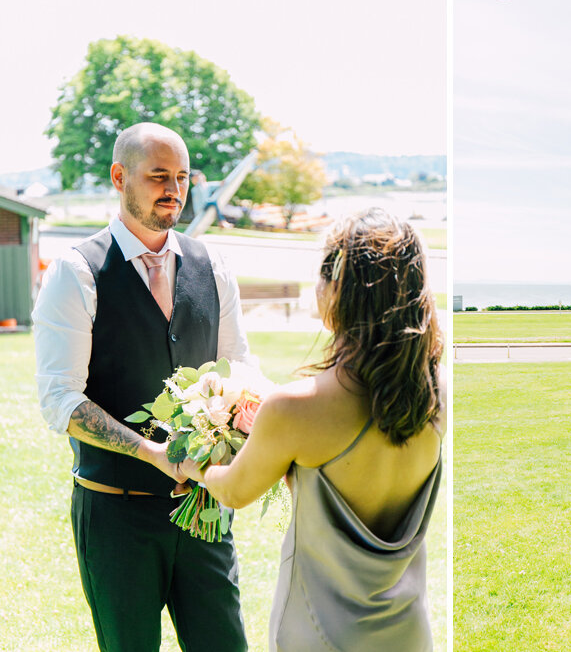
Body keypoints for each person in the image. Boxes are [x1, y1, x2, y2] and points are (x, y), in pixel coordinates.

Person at [180, 208, 445, 651]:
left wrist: (193, 462)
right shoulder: (434, 394)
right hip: (409, 633)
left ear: (340, 286)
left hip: (321, 634)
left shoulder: (296, 408)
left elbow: (234, 492)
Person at [33, 122, 251, 651]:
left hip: (203, 513)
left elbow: (238, 366)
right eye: (158, 176)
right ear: (119, 176)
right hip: (115, 517)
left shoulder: (213, 265)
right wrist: (153, 453)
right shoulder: (76, 271)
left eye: (181, 176)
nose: (174, 189)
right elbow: (60, 400)